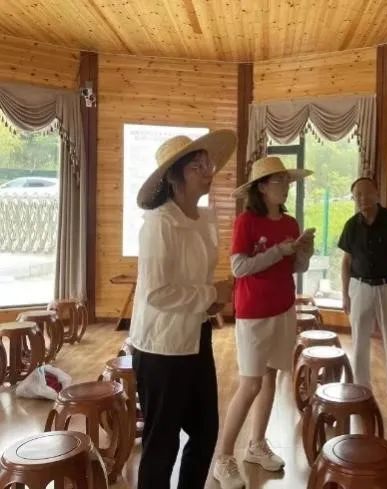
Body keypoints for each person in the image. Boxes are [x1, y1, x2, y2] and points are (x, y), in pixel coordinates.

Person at [130, 130, 237, 489]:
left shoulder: (204, 218)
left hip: (195, 336)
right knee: (162, 443)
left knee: (205, 432)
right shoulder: (159, 224)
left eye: (208, 164)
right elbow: (157, 293)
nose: (208, 171)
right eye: (196, 166)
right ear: (173, 178)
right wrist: (212, 293)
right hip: (160, 347)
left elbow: (193, 282)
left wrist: (213, 299)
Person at [213, 156, 314, 489]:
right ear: (261, 188)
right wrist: (278, 252)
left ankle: (256, 444)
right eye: (278, 181)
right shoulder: (246, 222)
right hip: (253, 312)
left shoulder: (291, 223)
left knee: (270, 377)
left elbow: (296, 267)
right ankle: (223, 456)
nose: (285, 186)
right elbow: (239, 268)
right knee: (250, 384)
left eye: (286, 181)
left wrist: (304, 251)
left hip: (283, 308)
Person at [338, 177, 387, 417]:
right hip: (359, 287)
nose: (362, 198)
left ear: (377, 193)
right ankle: (361, 393)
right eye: (357, 195)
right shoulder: (351, 225)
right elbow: (346, 261)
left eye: (367, 193)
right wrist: (345, 294)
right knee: (359, 343)